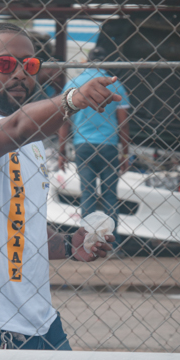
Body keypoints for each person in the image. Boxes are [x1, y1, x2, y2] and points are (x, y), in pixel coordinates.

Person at [0, 22, 120, 350]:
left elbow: (22, 222)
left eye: (30, 65)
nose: (20, 73)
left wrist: (68, 245)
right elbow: (16, 127)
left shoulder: (32, 143)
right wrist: (73, 99)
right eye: (6, 64)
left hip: (40, 323)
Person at [58, 47, 130, 250]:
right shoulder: (115, 85)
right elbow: (123, 123)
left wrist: (61, 151)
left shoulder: (73, 84)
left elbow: (64, 120)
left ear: (86, 62)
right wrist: (125, 153)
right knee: (110, 195)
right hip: (108, 144)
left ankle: (88, 243)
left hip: (83, 145)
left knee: (87, 193)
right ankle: (112, 244)